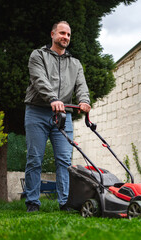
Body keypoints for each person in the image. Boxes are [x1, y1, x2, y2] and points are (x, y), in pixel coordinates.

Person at [24, 21, 91, 212]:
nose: (66, 37)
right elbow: (39, 79)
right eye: (62, 33)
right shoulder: (38, 55)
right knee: (34, 158)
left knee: (64, 160)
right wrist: (53, 98)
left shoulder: (75, 63)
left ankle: (65, 202)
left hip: (63, 115)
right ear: (52, 34)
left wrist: (84, 101)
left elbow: (81, 86)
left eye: (68, 35)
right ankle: (33, 202)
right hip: (37, 111)